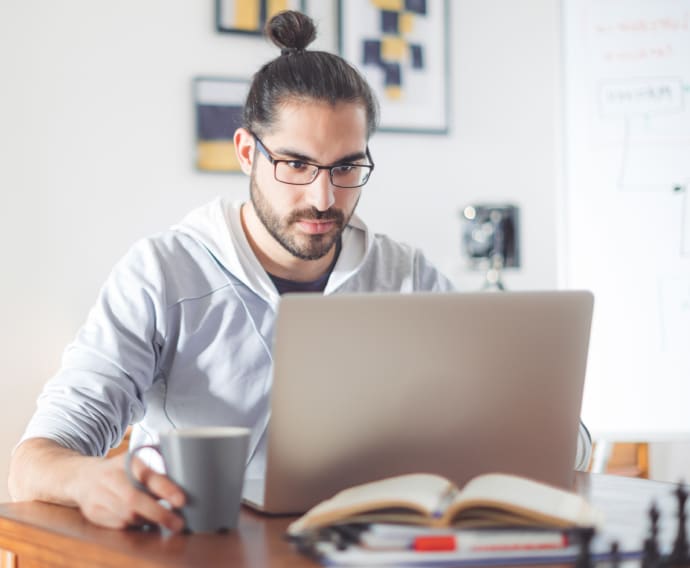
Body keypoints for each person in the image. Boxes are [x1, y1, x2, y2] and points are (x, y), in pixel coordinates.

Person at [8, 11, 592, 532]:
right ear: (245, 152)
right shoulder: (162, 272)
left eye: (346, 168)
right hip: (206, 551)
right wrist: (91, 482)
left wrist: (547, 429)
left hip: (370, 546)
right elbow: (35, 462)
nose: (323, 197)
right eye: (296, 164)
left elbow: (540, 433)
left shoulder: (405, 274)